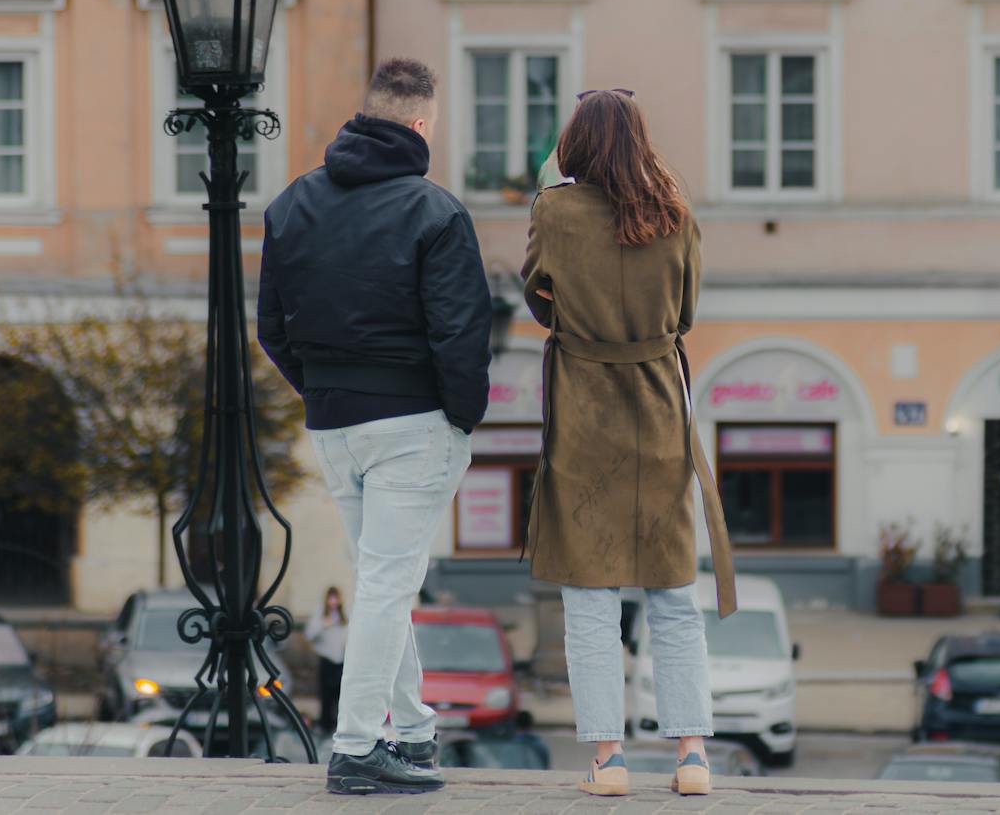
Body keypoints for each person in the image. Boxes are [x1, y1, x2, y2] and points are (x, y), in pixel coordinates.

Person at [257, 58, 491, 796]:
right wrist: (463, 416)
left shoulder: (291, 204)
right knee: (389, 584)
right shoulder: (436, 211)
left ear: (368, 115)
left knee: (378, 580)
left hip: (334, 423)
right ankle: (358, 745)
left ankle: (414, 730)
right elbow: (461, 333)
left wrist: (320, 387)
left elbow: (271, 327)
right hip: (412, 421)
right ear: (421, 124)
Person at [520, 89, 736, 799]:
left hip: (586, 412)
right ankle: (692, 755)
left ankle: (609, 761)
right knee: (674, 596)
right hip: (659, 410)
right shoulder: (674, 213)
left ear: (576, 143)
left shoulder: (553, 209)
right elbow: (688, 310)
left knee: (591, 599)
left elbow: (535, 292)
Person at [306, 587, 348, 734]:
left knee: (341, 695)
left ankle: (339, 725)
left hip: (341, 660)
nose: (333, 601)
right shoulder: (321, 614)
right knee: (326, 694)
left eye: (336, 598)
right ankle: (326, 725)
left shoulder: (344, 615)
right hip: (326, 660)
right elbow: (310, 634)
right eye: (331, 598)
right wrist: (324, 624)